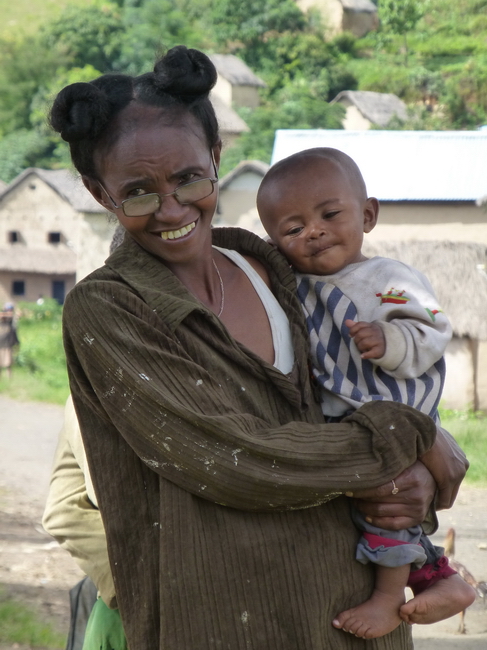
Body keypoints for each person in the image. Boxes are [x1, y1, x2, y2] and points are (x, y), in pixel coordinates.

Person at [45, 45, 468, 649]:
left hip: (352, 618)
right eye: (137, 192)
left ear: (216, 158)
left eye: (189, 178)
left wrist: (414, 475)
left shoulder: (276, 264)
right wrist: (412, 441)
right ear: (98, 192)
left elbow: (359, 395)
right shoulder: (110, 309)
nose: (171, 208)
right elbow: (235, 458)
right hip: (224, 620)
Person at [256, 147, 476, 639]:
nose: (312, 232)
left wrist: (390, 339)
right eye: (292, 229)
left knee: (389, 505)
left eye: (329, 215)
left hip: (393, 410)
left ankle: (386, 598)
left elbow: (431, 326)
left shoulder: (387, 282)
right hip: (348, 415)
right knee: (370, 510)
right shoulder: (298, 286)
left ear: (368, 215)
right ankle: (440, 580)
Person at [0, 302, 19, 380]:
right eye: (8, 309)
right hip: (0, 345)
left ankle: (9, 379)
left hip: (8, 345)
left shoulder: (11, 323)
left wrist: (17, 343)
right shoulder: (2, 318)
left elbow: (14, 333)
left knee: (8, 364)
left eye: (10, 309)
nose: (9, 311)